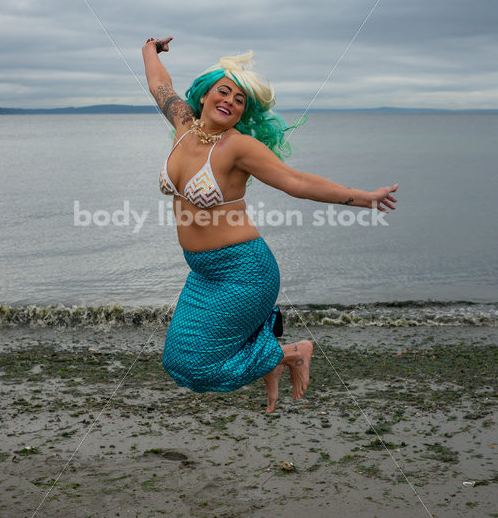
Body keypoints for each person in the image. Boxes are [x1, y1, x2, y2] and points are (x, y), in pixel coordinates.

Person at [142, 37, 398, 413]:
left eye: (239, 99)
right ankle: (272, 361)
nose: (229, 100)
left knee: (196, 365)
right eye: (223, 91)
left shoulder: (239, 147)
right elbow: (159, 86)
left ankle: (291, 353)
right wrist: (150, 48)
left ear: (244, 112)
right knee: (176, 362)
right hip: (202, 273)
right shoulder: (183, 126)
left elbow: (298, 183)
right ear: (204, 95)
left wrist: (364, 198)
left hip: (244, 271)